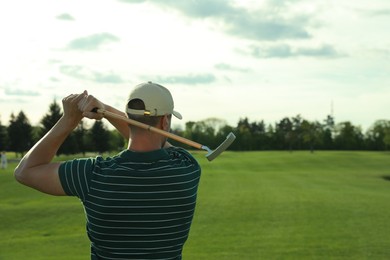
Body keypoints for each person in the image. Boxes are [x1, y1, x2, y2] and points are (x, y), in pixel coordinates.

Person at [14, 82, 202, 259]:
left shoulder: (91, 174)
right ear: (165, 122)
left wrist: (70, 119)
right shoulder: (186, 168)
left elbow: (25, 171)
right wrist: (107, 110)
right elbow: (153, 139)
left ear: (127, 118)